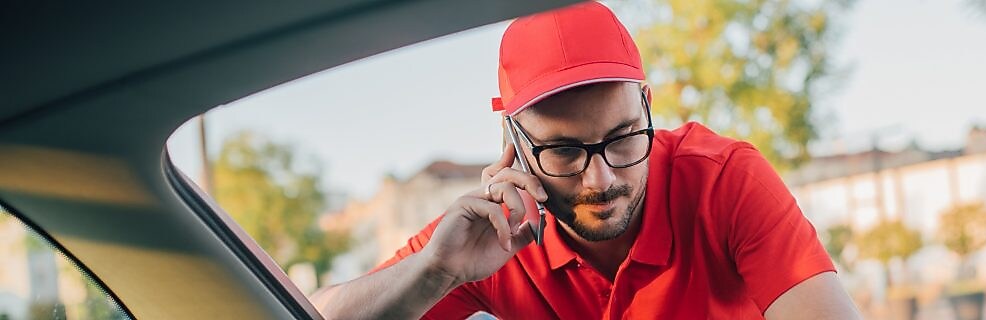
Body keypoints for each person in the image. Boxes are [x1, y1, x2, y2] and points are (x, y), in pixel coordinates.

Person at [311, 2, 859, 319]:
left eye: (623, 138)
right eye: (564, 151)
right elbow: (312, 312)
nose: (602, 178)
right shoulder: (490, 236)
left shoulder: (725, 181)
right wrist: (438, 271)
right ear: (515, 143)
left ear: (647, 105)